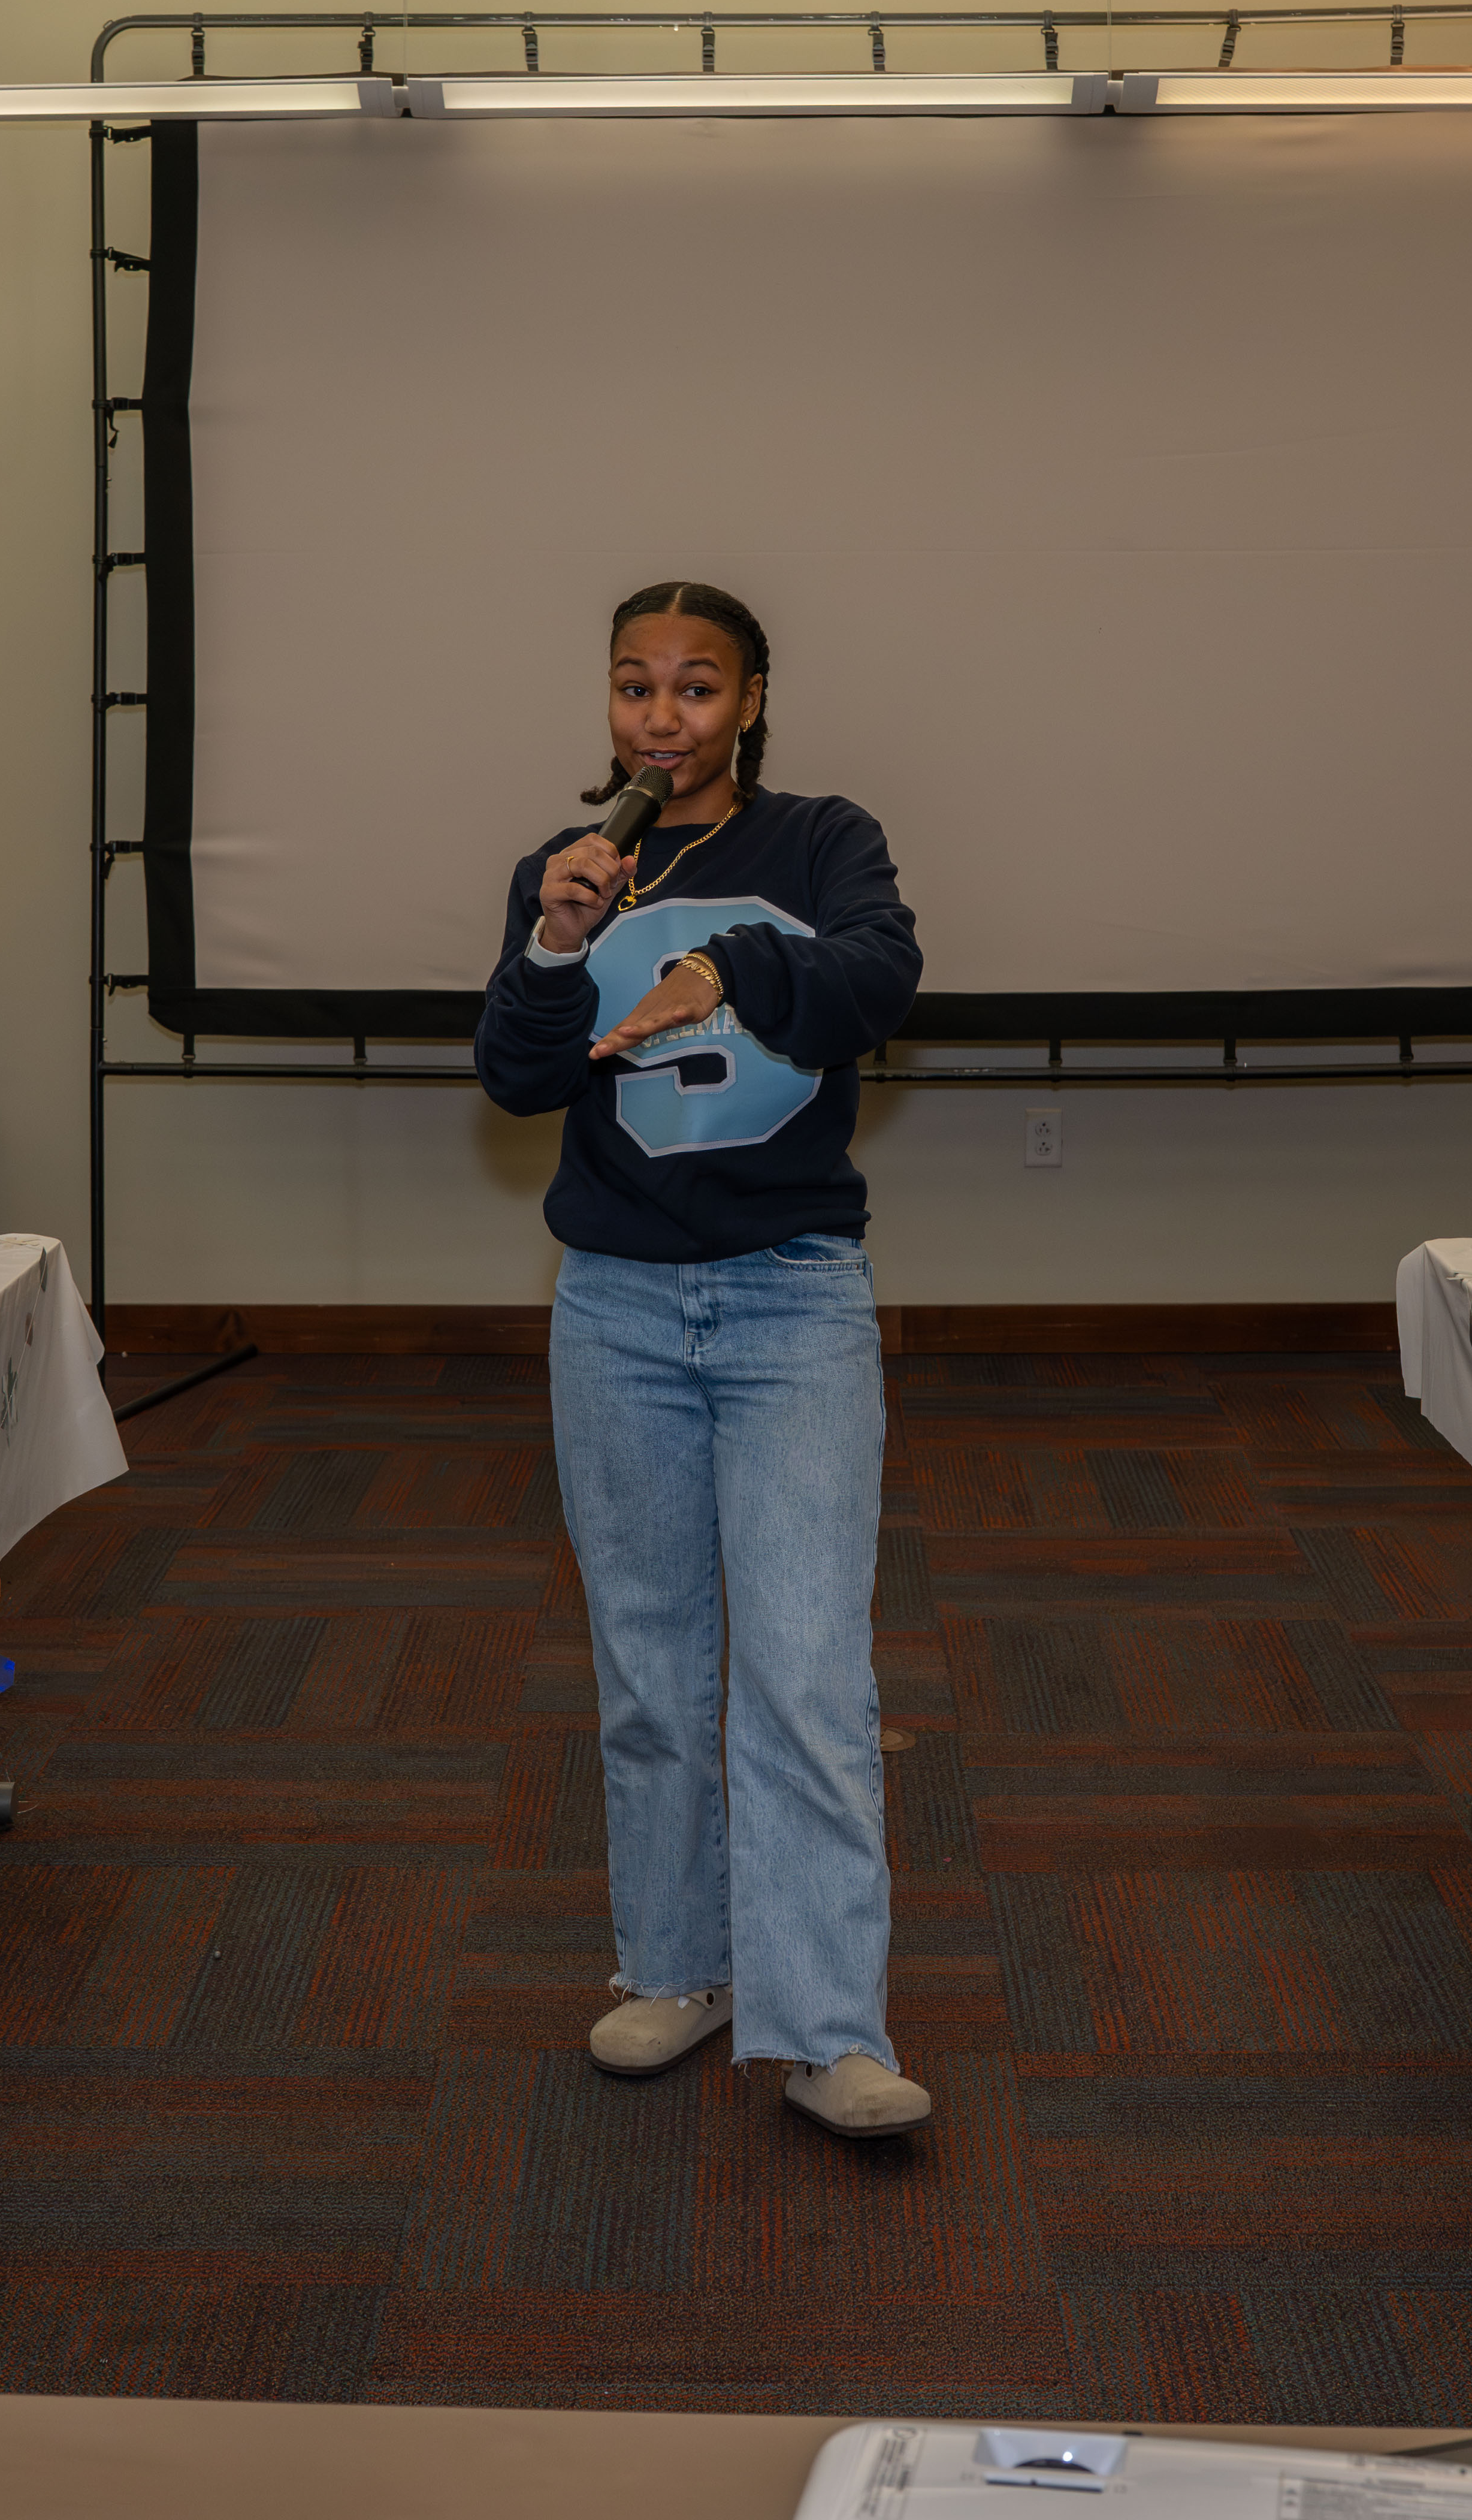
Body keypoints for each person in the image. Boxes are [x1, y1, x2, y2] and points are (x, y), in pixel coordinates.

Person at [477, 581, 930, 2139]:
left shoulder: (820, 843)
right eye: (634, 686)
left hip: (793, 1300)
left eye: (695, 687)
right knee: (651, 1670)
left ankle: (829, 2027)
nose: (661, 716)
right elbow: (517, 1078)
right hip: (614, 1306)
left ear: (748, 704)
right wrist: (554, 945)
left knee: (804, 1673)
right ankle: (678, 1967)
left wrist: (727, 967)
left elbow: (877, 978)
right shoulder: (571, 868)